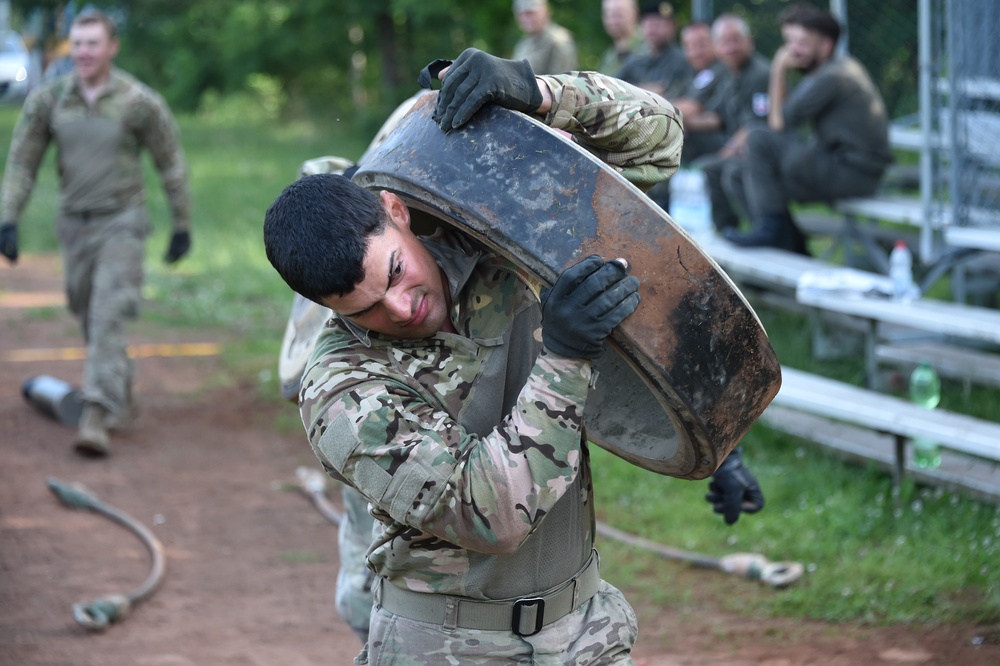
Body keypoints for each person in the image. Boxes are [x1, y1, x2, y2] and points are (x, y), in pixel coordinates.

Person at [265, 49, 763, 664]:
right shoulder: (341, 391)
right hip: (446, 647)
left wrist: (540, 93)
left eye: (395, 272)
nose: (398, 309)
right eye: (362, 308)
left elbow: (660, 140)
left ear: (396, 212)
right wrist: (565, 354)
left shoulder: (490, 225)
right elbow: (492, 513)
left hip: (585, 633)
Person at [0, 9, 192, 457]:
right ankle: (120, 395)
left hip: (122, 221)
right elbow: (22, 163)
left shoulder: (138, 101)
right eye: (78, 43)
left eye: (93, 43)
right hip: (73, 223)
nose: (84, 52)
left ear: (111, 47)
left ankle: (95, 414)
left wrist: (181, 224)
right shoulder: (49, 101)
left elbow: (171, 164)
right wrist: (8, 219)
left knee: (108, 313)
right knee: (86, 310)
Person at [722, 4, 892, 252]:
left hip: (852, 171)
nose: (791, 50)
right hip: (841, 166)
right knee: (737, 172)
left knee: (758, 138)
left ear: (825, 46)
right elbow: (785, 116)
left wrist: (778, 67)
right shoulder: (831, 70)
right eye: (788, 42)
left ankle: (772, 231)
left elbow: (778, 123)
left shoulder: (833, 77)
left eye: (801, 43)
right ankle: (791, 245)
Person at [696, 13, 772, 232]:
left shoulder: (760, 73)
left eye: (736, 39)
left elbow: (756, 125)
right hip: (743, 150)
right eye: (723, 42)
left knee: (716, 168)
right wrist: (677, 121)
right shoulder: (729, 74)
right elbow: (716, 117)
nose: (730, 47)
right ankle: (727, 231)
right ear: (716, 48)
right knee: (705, 166)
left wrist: (726, 151)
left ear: (750, 41)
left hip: (761, 153)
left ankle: (758, 230)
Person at [671, 20, 729, 164]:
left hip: (723, 140)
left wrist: (652, 111)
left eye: (702, 44)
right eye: (690, 46)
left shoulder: (721, 70)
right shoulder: (691, 74)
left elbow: (690, 107)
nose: (696, 52)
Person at [616, 2, 692, 102]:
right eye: (649, 24)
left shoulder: (684, 61)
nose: (652, 30)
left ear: (673, 27)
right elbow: (613, 86)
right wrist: (642, 90)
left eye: (658, 24)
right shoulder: (635, 60)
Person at [512, 0, 578, 75]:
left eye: (531, 13)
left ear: (545, 11)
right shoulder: (524, 43)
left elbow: (563, 82)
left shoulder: (559, 41)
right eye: (521, 14)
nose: (526, 18)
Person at [598, 0, 646, 76]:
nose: (612, 21)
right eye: (607, 14)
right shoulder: (609, 57)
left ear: (634, 13)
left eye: (619, 14)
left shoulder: (650, 48)